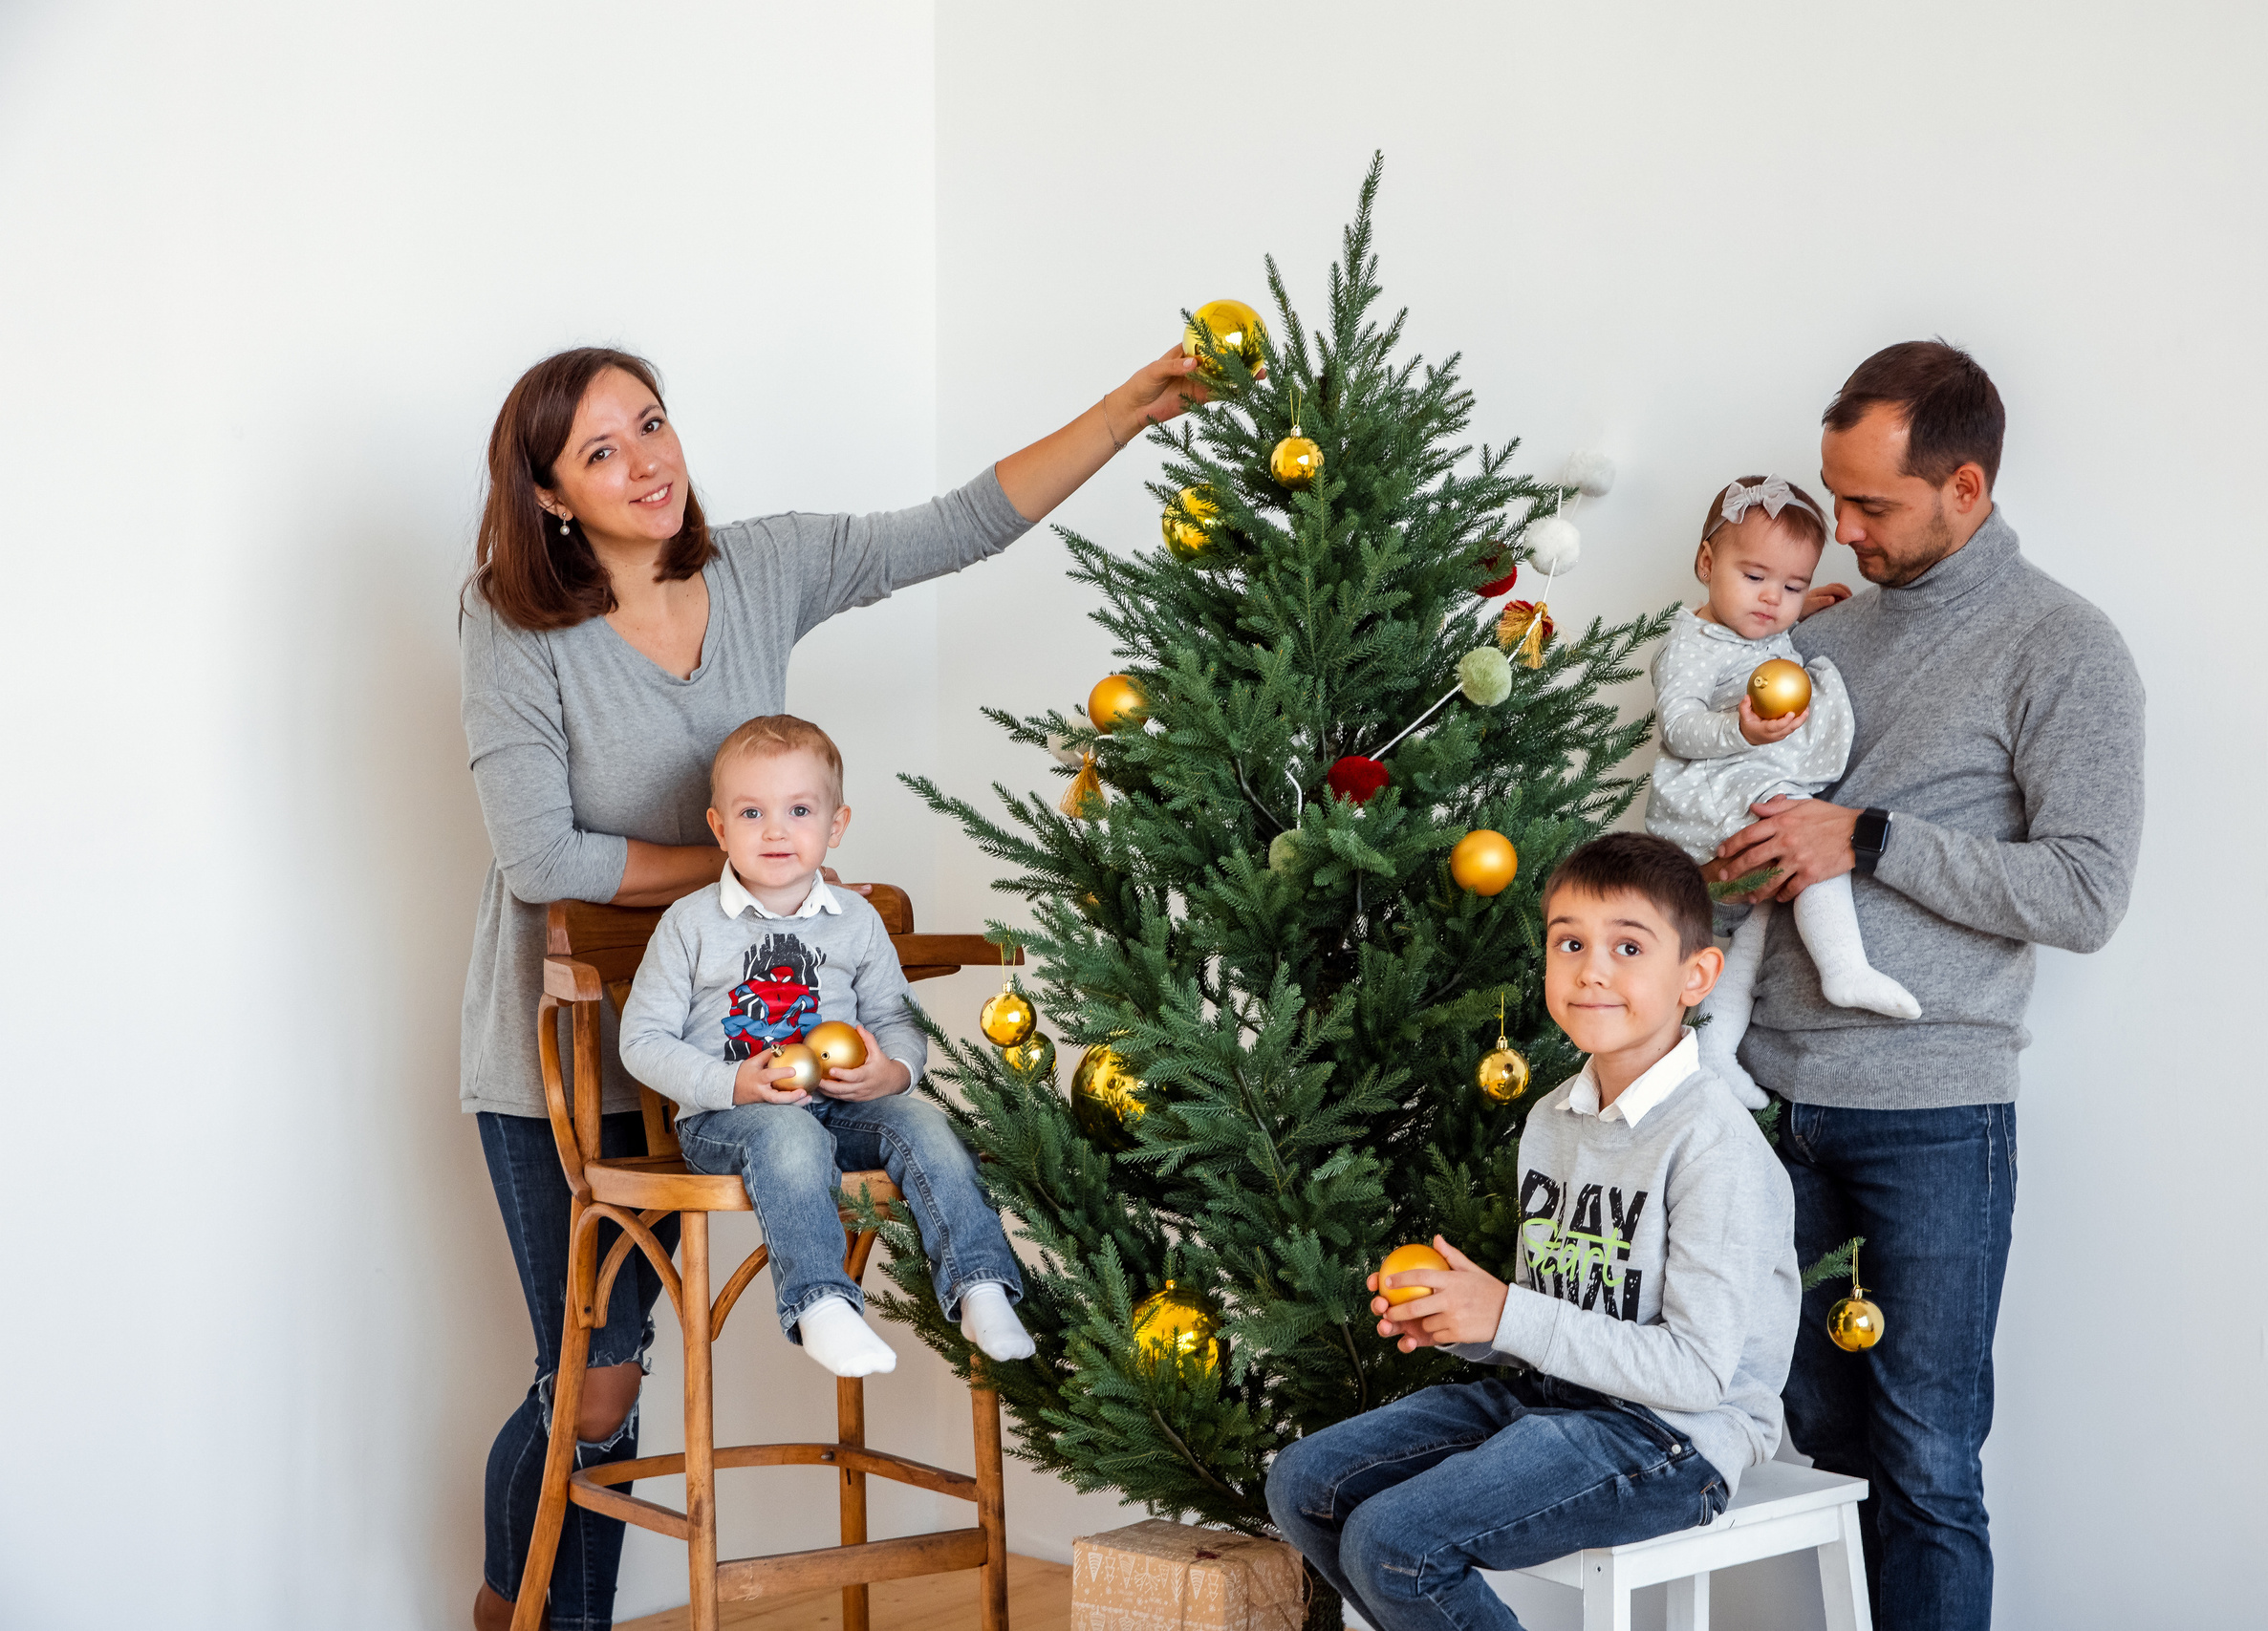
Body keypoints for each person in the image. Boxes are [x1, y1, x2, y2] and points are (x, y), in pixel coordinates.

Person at [460, 340, 1201, 1631]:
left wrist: (1129, 409)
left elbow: (960, 525)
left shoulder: (760, 564)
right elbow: (542, 856)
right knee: (595, 1375)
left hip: (750, 1045)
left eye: (652, 423)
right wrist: (758, 864)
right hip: (566, 1052)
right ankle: (514, 1604)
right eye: (600, 450)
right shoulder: (513, 621)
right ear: (550, 498)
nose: (646, 462)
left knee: (625, 1383)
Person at [1707, 340, 2145, 1631]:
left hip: (1933, 1114)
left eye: (1872, 507)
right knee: (1803, 1455)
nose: (1842, 529)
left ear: (1964, 486)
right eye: (1834, 499)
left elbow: (2085, 893)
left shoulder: (2065, 646)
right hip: (1766, 1102)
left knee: (1929, 1472)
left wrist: (1872, 836)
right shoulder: (1820, 626)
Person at [1264, 834, 1799, 1631]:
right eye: (1570, 942)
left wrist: (1508, 1312)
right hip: (1552, 1400)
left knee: (1394, 1542)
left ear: (1697, 974)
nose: (1592, 969)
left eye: (1627, 945)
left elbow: (1696, 1374)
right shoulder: (1552, 1118)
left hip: (1674, 1437)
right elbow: (1552, 1320)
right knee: (1302, 1481)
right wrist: (1464, 1322)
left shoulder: (1712, 1144)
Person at [618, 714, 1033, 1378]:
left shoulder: (855, 920)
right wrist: (734, 1084)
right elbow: (641, 1040)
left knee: (925, 1123)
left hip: (842, 1106)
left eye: (800, 809)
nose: (776, 830)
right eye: (752, 812)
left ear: (835, 826)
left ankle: (979, 1282)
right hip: (732, 1119)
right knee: (791, 1137)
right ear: (720, 828)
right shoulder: (690, 924)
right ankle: (820, 1302)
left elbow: (900, 1022)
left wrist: (889, 1072)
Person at [1646, 475, 1919, 1109]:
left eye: (1791, 585)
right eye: (1755, 578)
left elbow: (1770, 633)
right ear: (1707, 562)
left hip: (1738, 787)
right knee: (1801, 831)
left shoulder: (1758, 628)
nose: (1772, 599)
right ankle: (1844, 966)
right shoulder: (1690, 640)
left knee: (1752, 929)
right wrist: (1739, 727)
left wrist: (1808, 608)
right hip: (1711, 795)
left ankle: (1714, 1052)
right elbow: (1680, 726)